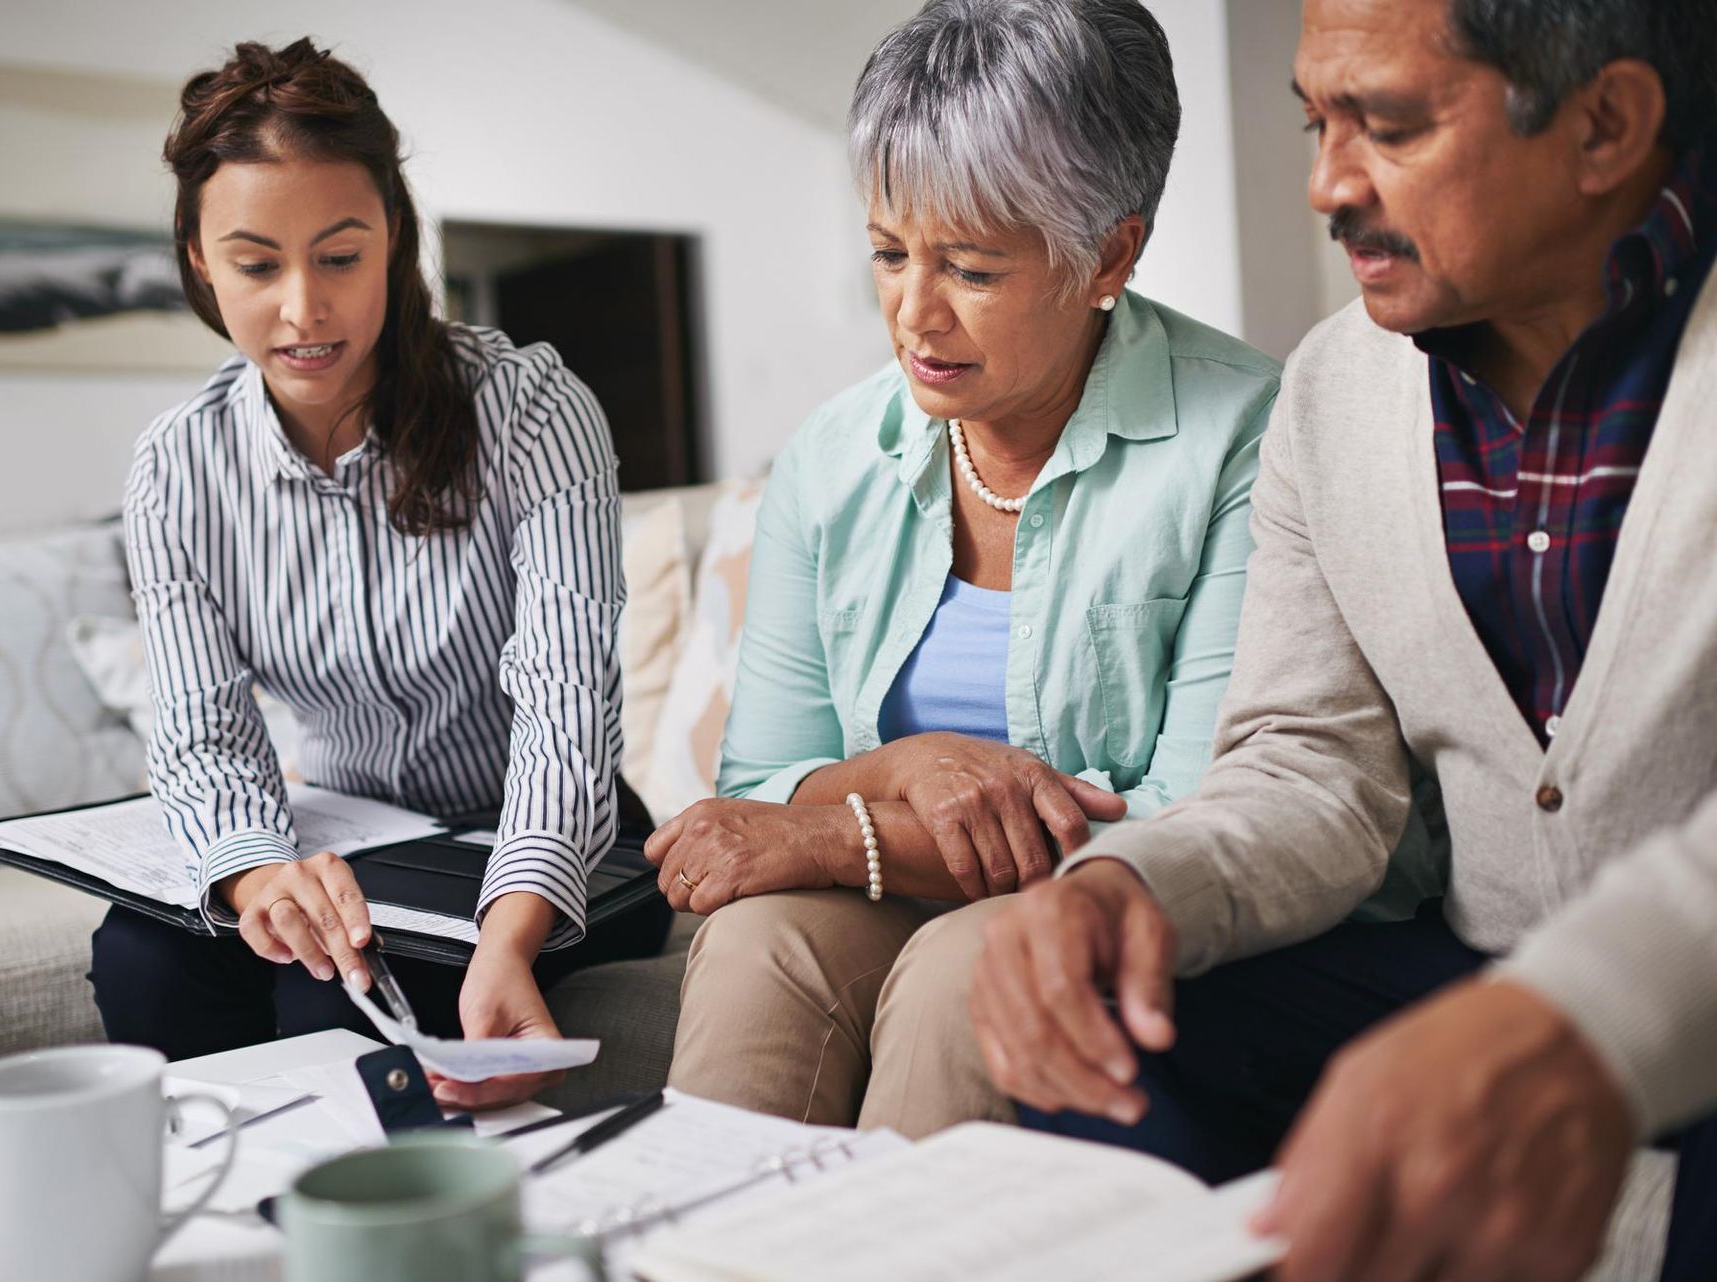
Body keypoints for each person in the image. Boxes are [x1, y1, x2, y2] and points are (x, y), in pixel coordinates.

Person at [969, 0, 1717, 1278]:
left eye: (1391, 126)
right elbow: (1308, 763)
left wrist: (1583, 1014)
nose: (1328, 182)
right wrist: (1129, 885)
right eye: (1318, 121)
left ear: (1605, 126)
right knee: (1120, 1029)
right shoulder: (1329, 390)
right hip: (1481, 979)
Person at [647, 0, 1287, 1136]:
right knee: (756, 943)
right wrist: (912, 761)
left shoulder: (1250, 434)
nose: (913, 313)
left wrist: (846, 833)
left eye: (974, 269)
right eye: (889, 254)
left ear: (1111, 256)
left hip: (1129, 913)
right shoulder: (832, 457)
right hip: (913, 894)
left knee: (969, 968)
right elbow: (759, 780)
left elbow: (1202, 813)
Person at [87, 38, 669, 1111]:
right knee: (143, 960)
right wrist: (258, 872)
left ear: (394, 239)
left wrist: (512, 931)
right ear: (200, 256)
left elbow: (565, 709)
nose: (304, 309)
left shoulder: (530, 409)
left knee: (337, 1011)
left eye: (340, 256)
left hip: (535, 841)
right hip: (354, 836)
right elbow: (203, 733)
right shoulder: (177, 464)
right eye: (258, 264)